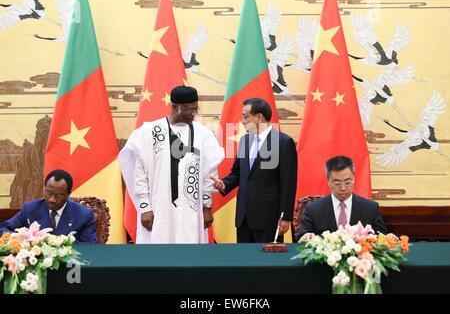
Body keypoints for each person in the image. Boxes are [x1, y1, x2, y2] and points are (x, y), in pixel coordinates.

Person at [119, 85, 224, 243]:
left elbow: (210, 173)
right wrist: (144, 207)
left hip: (192, 213)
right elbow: (138, 174)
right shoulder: (149, 132)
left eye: (196, 109)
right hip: (158, 209)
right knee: (158, 260)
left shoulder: (203, 134)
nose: (193, 114)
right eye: (189, 109)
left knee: (189, 259)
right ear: (174, 106)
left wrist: (207, 206)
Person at [211, 98, 297, 243]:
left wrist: (285, 217)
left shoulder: (283, 142)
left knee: (267, 264)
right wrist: (224, 184)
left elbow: (288, 183)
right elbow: (238, 173)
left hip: (268, 218)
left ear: (259, 117)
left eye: (245, 116)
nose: (242, 120)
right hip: (243, 217)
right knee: (245, 263)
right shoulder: (245, 140)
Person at [297, 155, 388, 241]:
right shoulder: (313, 209)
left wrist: (387, 237)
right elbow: (302, 236)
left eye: (348, 182)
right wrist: (306, 236)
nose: (343, 188)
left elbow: (382, 236)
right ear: (328, 181)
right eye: (337, 183)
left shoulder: (370, 208)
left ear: (354, 178)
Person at [0, 170, 97, 243]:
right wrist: (21, 237)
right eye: (48, 193)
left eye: (59, 196)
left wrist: (61, 242)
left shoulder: (84, 214)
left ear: (68, 194)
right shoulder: (30, 208)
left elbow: (90, 247)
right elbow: (3, 229)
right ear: (44, 188)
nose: (52, 200)